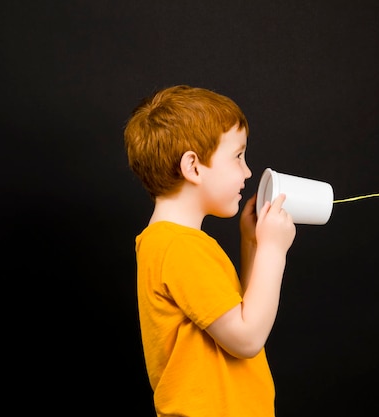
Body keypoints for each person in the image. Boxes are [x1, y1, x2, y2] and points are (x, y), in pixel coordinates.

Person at [124, 85, 296, 416]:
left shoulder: (171, 242)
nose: (248, 171)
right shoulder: (179, 247)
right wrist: (275, 250)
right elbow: (247, 338)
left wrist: (252, 244)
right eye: (237, 156)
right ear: (193, 167)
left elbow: (237, 315)